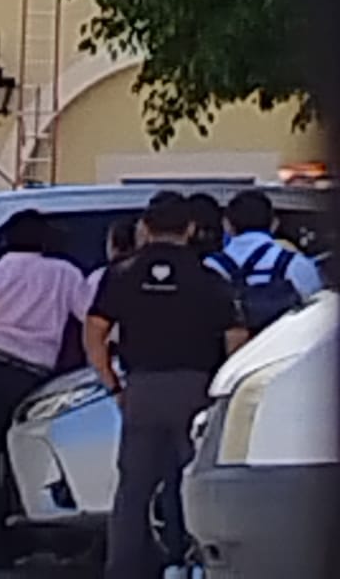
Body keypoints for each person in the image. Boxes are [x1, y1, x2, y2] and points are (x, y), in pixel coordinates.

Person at [86, 192, 247, 579]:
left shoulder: (122, 274)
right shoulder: (209, 276)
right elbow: (236, 336)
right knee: (190, 481)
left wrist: (112, 384)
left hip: (140, 388)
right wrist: (221, 387)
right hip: (195, 389)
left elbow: (94, 331)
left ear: (145, 227)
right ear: (190, 229)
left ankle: (124, 568)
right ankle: (190, 563)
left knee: (133, 488)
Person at [0, 210, 92, 570]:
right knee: (12, 466)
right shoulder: (65, 275)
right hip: (33, 378)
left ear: (6, 240)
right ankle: (1, 547)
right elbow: (89, 314)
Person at [205, 187, 323, 330]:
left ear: (227, 224)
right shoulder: (294, 264)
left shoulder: (209, 266)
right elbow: (316, 314)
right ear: (274, 224)